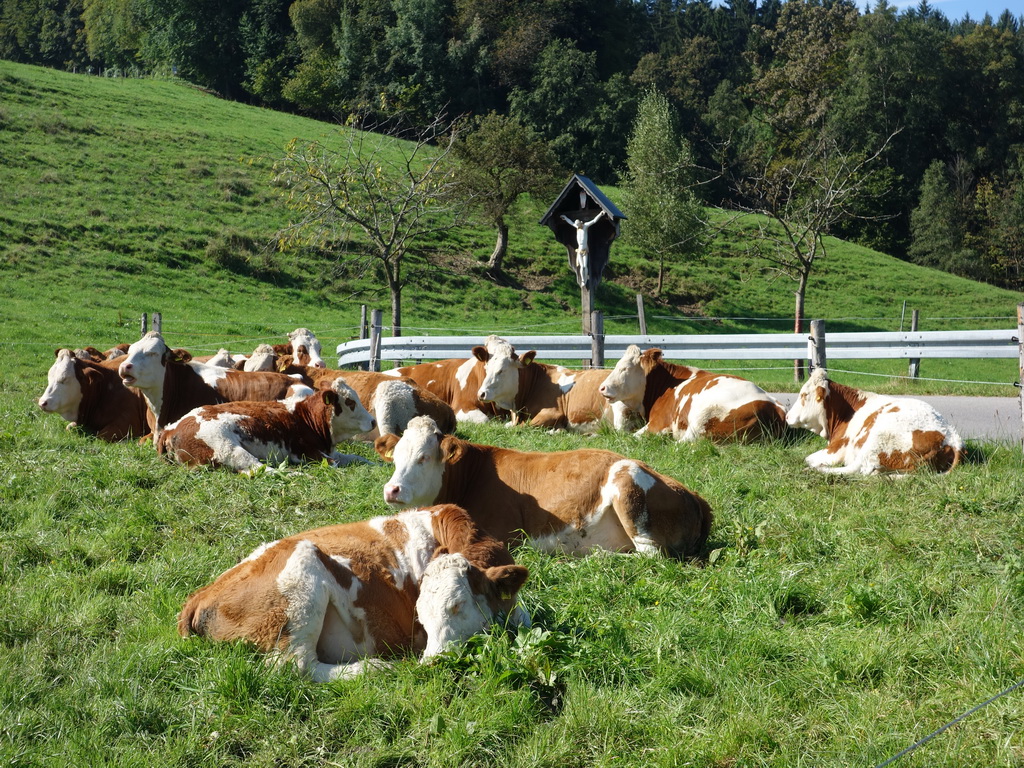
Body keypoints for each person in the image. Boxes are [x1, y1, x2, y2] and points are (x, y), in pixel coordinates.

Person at [560, 210, 606, 287]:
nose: (578, 227)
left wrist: (600, 214)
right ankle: (583, 280)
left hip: (585, 251)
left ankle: (585, 278)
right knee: (581, 267)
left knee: (585, 266)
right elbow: (571, 222)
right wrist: (565, 218)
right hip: (579, 250)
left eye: (579, 225)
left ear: (581, 223)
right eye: (577, 226)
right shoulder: (577, 227)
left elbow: (594, 220)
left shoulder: (585, 226)